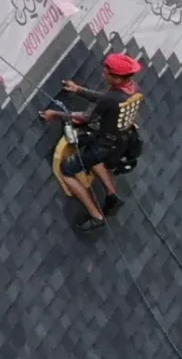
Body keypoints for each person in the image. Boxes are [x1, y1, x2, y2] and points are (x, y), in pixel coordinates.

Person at [42, 53, 144, 229]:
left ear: (118, 77)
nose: (104, 74)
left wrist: (55, 115)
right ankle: (112, 195)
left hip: (104, 145)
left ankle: (96, 216)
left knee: (67, 170)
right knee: (91, 153)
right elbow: (104, 99)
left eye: (107, 72)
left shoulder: (112, 98)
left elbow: (84, 118)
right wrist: (78, 90)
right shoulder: (131, 88)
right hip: (120, 140)